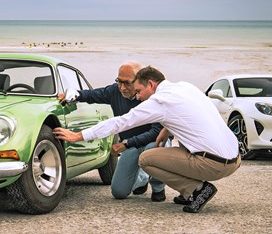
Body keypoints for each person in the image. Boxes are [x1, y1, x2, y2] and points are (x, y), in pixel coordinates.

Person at [54, 66, 240, 213]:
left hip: (213, 165)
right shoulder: (185, 87)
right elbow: (192, 112)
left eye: (139, 91)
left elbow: (121, 122)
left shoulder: (157, 101)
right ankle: (188, 193)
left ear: (151, 84)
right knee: (175, 144)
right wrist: (166, 129)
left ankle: (197, 190)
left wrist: (79, 135)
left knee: (146, 159)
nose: (137, 96)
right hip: (234, 158)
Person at [60, 62, 167, 202]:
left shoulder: (154, 98)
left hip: (151, 143)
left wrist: (126, 143)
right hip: (132, 147)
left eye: (127, 83)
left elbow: (156, 132)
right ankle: (142, 179)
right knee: (118, 192)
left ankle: (158, 187)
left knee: (155, 147)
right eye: (119, 81)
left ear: (139, 81)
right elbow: (93, 95)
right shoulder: (115, 91)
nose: (122, 88)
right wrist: (76, 94)